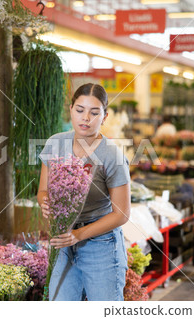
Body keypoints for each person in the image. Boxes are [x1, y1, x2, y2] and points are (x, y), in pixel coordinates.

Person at [37, 83, 131, 301]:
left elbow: (122, 214)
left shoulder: (112, 155)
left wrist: (78, 235)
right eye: (80, 110)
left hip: (101, 245)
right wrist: (46, 203)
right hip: (62, 240)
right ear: (70, 109)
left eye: (94, 112)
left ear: (105, 117)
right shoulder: (55, 143)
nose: (86, 118)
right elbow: (42, 190)